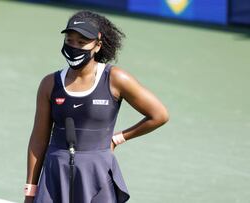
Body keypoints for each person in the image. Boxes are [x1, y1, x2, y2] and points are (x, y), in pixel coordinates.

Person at [24, 10, 169, 203]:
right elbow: (38, 140)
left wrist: (118, 138)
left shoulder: (115, 78)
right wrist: (30, 191)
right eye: (70, 40)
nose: (74, 46)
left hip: (96, 173)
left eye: (82, 42)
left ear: (98, 46)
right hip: (55, 173)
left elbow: (159, 115)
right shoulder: (50, 84)